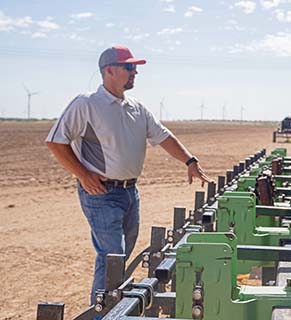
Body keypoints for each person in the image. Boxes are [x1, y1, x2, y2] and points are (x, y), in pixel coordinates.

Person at [45, 46, 213, 303]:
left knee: (121, 256)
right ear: (109, 70)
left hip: (130, 192)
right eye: (129, 67)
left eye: (135, 68)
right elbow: (56, 141)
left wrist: (189, 160)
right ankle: (101, 312)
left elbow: (163, 136)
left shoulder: (137, 108)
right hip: (101, 193)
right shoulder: (87, 104)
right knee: (112, 255)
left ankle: (113, 303)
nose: (135, 72)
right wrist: (83, 175)